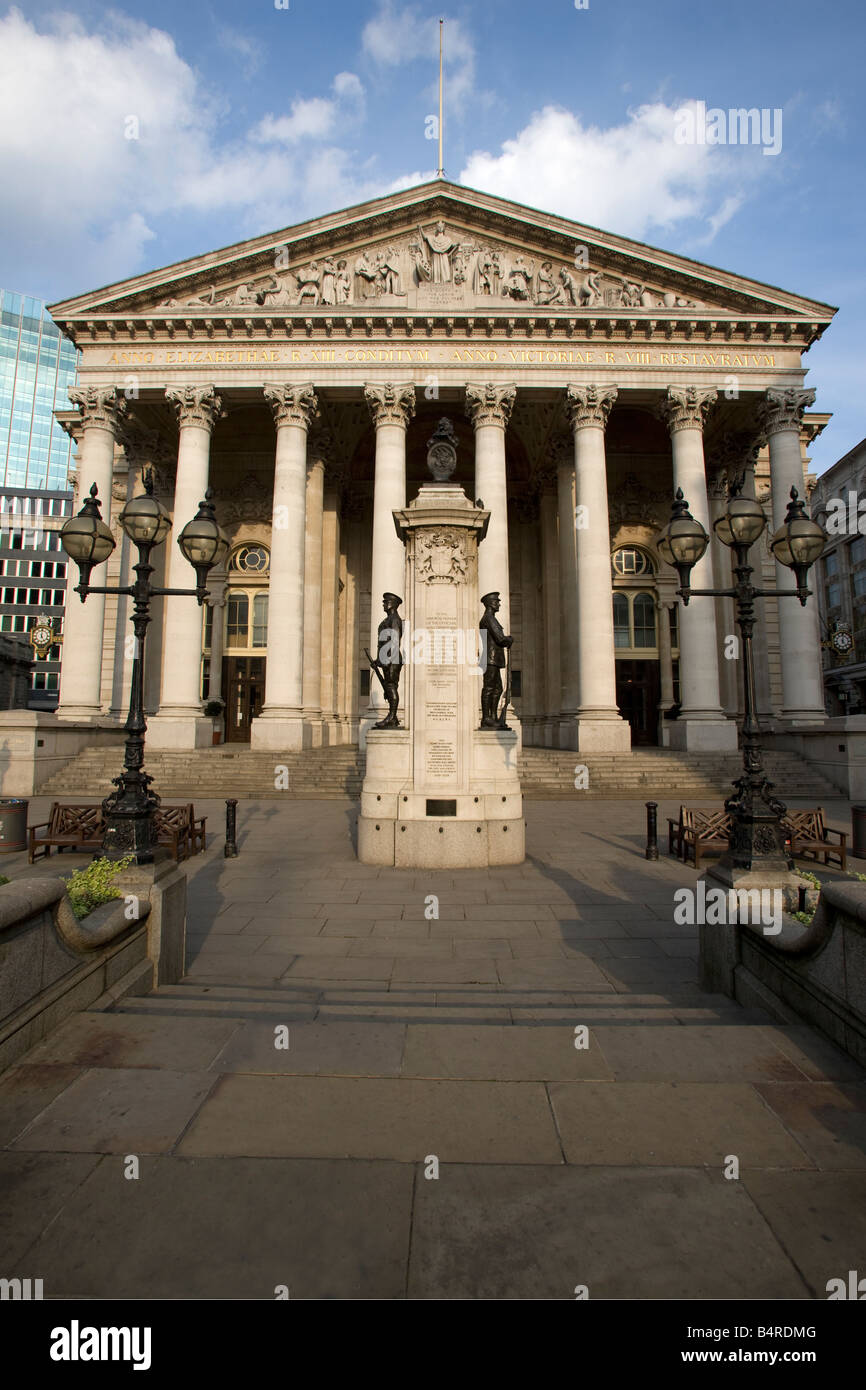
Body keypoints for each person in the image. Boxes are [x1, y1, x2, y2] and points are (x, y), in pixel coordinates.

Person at [479, 591, 513, 728]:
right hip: (490, 659)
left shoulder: (491, 618)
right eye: (496, 601)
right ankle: (486, 718)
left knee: (497, 688)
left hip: (493, 659)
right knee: (489, 688)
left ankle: (493, 717)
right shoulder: (489, 619)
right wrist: (509, 639)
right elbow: (500, 638)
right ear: (490, 603)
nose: (499, 603)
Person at [372, 593, 403, 729]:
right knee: (389, 687)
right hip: (388, 658)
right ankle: (393, 718)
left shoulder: (395, 619)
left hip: (392, 658)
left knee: (390, 686)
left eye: (386, 602)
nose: (384, 604)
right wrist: (379, 661)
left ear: (392, 604)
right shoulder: (389, 619)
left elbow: (395, 641)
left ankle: (391, 716)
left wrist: (386, 659)